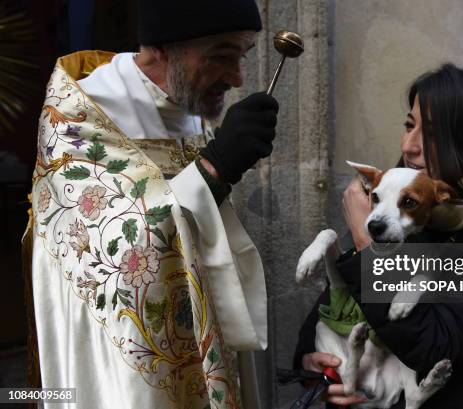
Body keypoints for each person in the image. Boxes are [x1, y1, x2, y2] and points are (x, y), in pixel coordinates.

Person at [25, 1, 278, 408]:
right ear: (163, 47)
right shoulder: (77, 121)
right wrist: (215, 169)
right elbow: (116, 257)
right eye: (221, 56)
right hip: (121, 370)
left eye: (241, 56)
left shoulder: (184, 106)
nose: (236, 77)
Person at [293, 64, 463, 408]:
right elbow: (337, 299)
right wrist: (312, 361)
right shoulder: (401, 200)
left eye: (435, 134)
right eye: (409, 126)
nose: (409, 147)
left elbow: (433, 346)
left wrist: (366, 240)